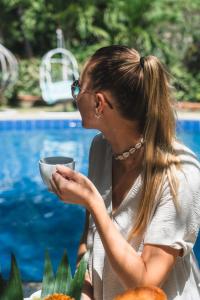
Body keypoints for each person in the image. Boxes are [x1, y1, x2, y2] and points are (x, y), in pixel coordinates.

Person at [50, 45, 200, 300]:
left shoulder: (179, 174)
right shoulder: (101, 148)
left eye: (77, 87)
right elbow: (90, 241)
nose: (74, 94)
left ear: (99, 103)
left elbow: (145, 283)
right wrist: (84, 290)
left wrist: (94, 202)